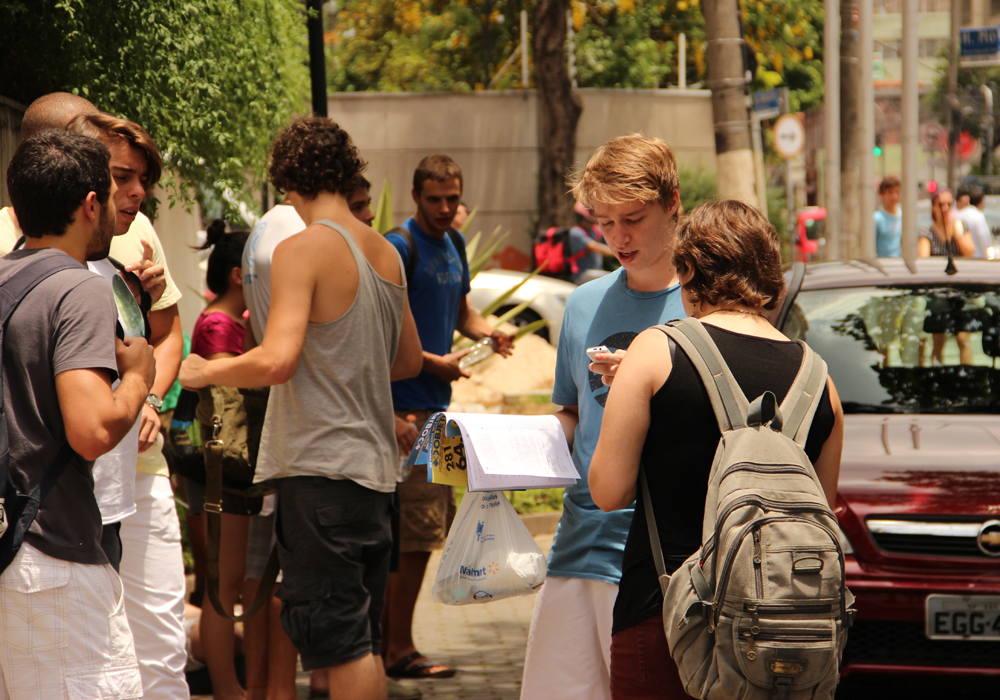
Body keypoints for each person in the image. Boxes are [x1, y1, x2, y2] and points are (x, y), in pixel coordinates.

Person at [180, 117, 423, 700]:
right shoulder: (385, 252)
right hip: (373, 477)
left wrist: (206, 370)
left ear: (288, 182)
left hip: (321, 474)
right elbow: (408, 359)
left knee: (340, 645)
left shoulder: (302, 248)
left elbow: (276, 361)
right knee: (357, 638)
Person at [588, 200, 844, 700]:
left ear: (687, 272)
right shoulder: (821, 382)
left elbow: (607, 491)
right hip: (781, 639)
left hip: (664, 618)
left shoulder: (656, 350)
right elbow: (818, 514)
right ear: (772, 278)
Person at [519, 134, 687, 700]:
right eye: (604, 221)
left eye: (633, 219)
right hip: (577, 547)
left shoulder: (706, 305)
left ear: (673, 203)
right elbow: (572, 415)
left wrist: (645, 385)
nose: (617, 237)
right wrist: (506, 449)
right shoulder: (584, 302)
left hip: (668, 562)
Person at [0, 129, 156, 699]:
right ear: (91, 204)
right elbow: (90, 431)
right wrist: (139, 377)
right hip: (54, 556)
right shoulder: (79, 288)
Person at [381, 154, 514, 682]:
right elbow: (386, 328)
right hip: (402, 415)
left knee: (428, 532)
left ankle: (394, 644)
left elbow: (462, 311)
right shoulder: (399, 245)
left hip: (441, 414)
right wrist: (432, 363)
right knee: (411, 536)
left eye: (452, 199)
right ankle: (395, 649)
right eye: (434, 199)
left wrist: (489, 333)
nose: (443, 208)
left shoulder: (455, 243)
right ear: (416, 197)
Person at [919, 189, 975, 258]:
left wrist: (955, 229)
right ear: (933, 207)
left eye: (949, 204)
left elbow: (970, 254)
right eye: (941, 205)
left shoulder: (961, 227)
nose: (945, 208)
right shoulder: (927, 233)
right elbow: (924, 259)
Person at [956, 187, 993, 259]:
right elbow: (984, 237)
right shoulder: (978, 215)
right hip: (978, 256)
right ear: (981, 202)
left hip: (961, 257)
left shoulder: (958, 214)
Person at [874, 175, 901, 258]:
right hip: (883, 263)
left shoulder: (903, 216)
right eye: (890, 192)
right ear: (882, 194)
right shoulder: (877, 218)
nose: (894, 196)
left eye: (897, 192)